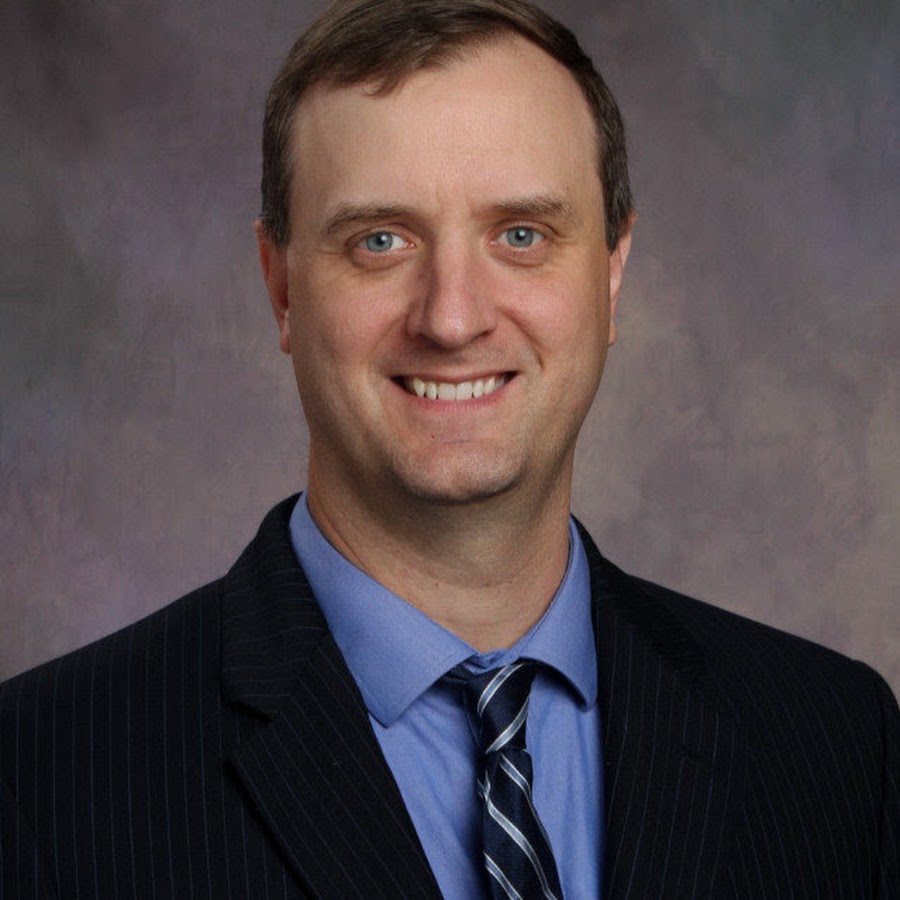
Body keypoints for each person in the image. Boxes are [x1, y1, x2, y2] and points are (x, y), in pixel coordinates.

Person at [1, 0, 897, 896]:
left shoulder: (837, 743)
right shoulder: (42, 780)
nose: (453, 318)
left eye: (522, 235)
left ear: (612, 272)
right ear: (281, 288)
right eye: (380, 241)